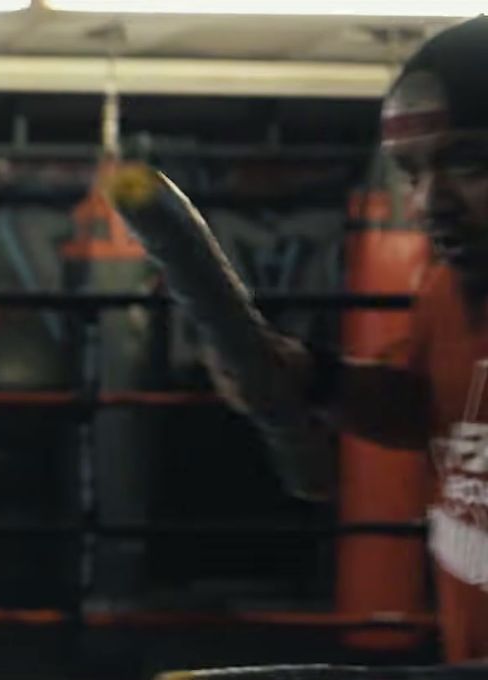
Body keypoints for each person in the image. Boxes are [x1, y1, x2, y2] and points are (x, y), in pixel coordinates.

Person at [204, 15, 488, 662]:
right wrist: (310, 376)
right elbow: (425, 410)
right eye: (412, 173)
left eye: (469, 163)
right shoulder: (450, 293)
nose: (427, 202)